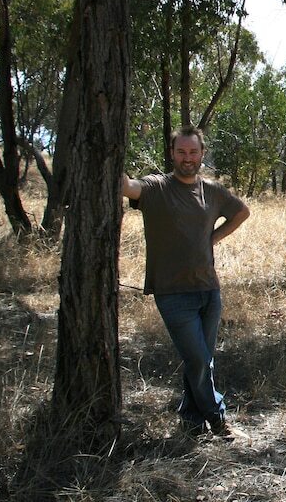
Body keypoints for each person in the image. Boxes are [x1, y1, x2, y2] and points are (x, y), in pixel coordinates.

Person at [123, 124, 250, 437]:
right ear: (172, 153)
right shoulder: (156, 188)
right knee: (198, 359)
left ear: (202, 154)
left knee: (202, 361)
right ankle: (218, 420)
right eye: (181, 151)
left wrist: (212, 239)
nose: (187, 157)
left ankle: (191, 421)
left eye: (193, 151)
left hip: (209, 290)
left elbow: (242, 212)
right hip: (172, 293)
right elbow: (128, 187)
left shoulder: (213, 191)